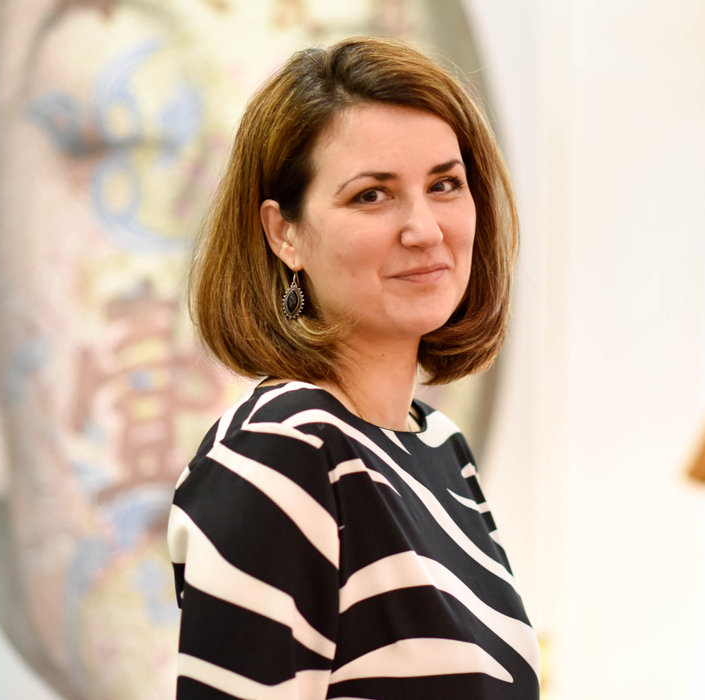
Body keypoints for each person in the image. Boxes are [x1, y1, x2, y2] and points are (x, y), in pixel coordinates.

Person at [169, 36, 539, 699]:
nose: (424, 229)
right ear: (285, 233)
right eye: (372, 196)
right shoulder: (282, 447)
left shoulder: (440, 449)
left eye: (444, 185)